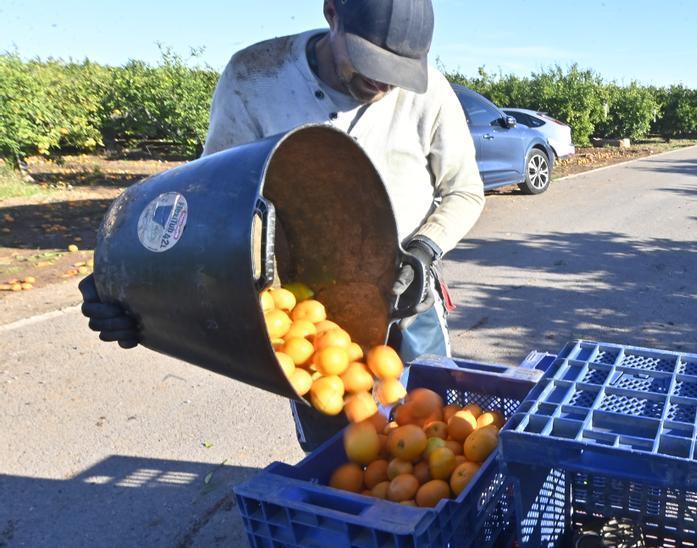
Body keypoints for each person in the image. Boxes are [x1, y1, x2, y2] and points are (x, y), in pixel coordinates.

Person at [78, 0, 485, 451]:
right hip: (307, 312)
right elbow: (215, 203)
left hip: (407, 294)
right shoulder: (256, 77)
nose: (383, 80)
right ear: (332, 13)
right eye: (371, 59)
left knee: (437, 433)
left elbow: (465, 190)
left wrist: (424, 251)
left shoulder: (428, 93)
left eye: (398, 69)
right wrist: (132, 287)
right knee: (338, 451)